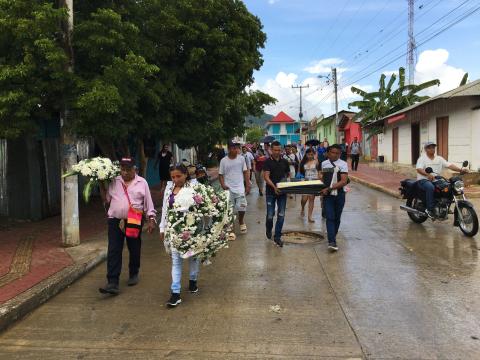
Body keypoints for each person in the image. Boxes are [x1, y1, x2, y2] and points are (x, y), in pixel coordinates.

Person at [99, 158, 156, 295]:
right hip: (115, 220)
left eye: (128, 169)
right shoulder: (114, 181)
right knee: (114, 249)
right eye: (122, 169)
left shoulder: (142, 182)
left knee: (134, 247)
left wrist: (151, 219)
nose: (124, 172)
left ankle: (133, 272)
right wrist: (101, 185)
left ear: (134, 169)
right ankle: (112, 282)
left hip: (134, 219)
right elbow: (107, 199)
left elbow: (148, 202)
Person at [159, 165, 200, 308]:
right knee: (176, 261)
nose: (176, 179)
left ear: (185, 175)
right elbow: (165, 208)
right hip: (174, 231)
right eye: (173, 177)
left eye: (178, 176)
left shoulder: (195, 188)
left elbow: (201, 208)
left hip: (192, 229)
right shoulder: (169, 189)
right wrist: (162, 227)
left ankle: (193, 280)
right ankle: (175, 293)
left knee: (193, 257)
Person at [416, 142, 467, 219]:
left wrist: (460, 169)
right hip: (423, 180)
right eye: (429, 147)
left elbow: (449, 165)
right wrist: (427, 174)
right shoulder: (422, 159)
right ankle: (430, 210)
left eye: (433, 147)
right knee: (430, 187)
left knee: (449, 186)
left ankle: (445, 205)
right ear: (426, 149)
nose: (432, 149)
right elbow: (419, 169)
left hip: (436, 179)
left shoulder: (439, 158)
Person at [319, 145, 349, 252]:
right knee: (330, 217)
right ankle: (331, 241)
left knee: (337, 218)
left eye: (337, 153)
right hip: (327, 195)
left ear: (340, 154)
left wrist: (329, 188)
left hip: (340, 194)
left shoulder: (343, 164)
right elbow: (322, 178)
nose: (335, 155)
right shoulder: (324, 164)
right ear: (328, 153)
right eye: (333, 152)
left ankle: (332, 236)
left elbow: (344, 181)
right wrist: (321, 189)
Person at [219, 142, 251, 234]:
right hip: (228, 188)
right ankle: (231, 226)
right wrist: (222, 185)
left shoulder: (241, 159)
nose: (235, 150)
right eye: (233, 148)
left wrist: (247, 184)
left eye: (236, 148)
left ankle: (241, 221)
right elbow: (220, 175)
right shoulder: (223, 161)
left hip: (240, 188)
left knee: (242, 207)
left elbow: (245, 172)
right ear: (229, 149)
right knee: (229, 209)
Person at [263, 141, 290, 247]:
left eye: (279, 150)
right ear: (271, 150)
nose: (277, 152)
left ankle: (277, 237)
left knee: (281, 215)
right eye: (275, 150)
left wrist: (288, 184)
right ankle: (268, 228)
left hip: (283, 193)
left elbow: (287, 175)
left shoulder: (284, 162)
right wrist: (274, 187)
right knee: (270, 215)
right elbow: (266, 177)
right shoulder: (267, 162)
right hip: (271, 192)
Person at [299, 149, 319, 223]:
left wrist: (319, 179)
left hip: (314, 182)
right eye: (308, 154)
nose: (310, 156)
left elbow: (319, 171)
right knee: (304, 199)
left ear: (313, 154)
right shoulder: (303, 162)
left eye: (311, 154)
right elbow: (300, 172)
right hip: (305, 182)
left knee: (311, 198)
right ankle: (303, 208)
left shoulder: (316, 162)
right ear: (306, 154)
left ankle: (310, 216)